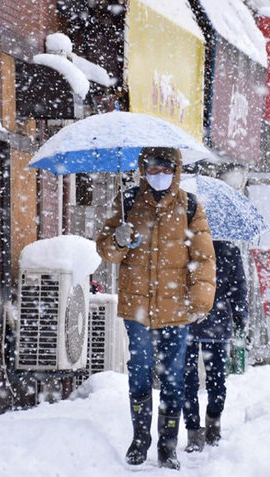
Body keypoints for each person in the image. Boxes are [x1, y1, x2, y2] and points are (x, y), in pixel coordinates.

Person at [96, 147, 216, 470]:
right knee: (139, 372)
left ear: (176, 169)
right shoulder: (129, 201)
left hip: (176, 310)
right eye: (152, 167)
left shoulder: (190, 206)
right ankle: (139, 440)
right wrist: (118, 240)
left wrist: (199, 302)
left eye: (165, 167)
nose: (158, 173)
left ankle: (167, 445)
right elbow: (107, 250)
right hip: (137, 307)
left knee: (173, 377)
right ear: (143, 168)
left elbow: (204, 260)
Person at [183, 240, 249, 452]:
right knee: (216, 379)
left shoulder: (184, 245)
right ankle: (213, 424)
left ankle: (194, 432)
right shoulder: (229, 249)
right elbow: (238, 287)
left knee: (188, 381)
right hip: (217, 325)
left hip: (187, 321)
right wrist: (240, 316)